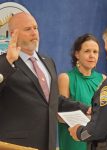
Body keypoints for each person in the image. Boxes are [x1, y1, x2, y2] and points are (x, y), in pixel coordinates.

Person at [0, 12, 89, 150]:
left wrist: (85, 108)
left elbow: (52, 100)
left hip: (49, 143)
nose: (34, 32)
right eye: (27, 29)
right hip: (16, 145)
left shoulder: (48, 62)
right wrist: (8, 61)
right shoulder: (4, 63)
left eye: (35, 28)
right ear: (13, 34)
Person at [58, 33, 106, 150]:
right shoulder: (65, 78)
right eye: (87, 51)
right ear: (77, 54)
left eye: (95, 52)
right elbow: (59, 115)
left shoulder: (104, 79)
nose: (92, 56)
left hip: (96, 142)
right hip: (73, 139)